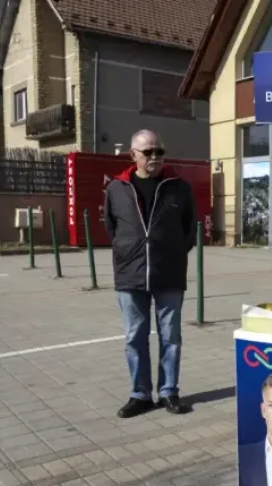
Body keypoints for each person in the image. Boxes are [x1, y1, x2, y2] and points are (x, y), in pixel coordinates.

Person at [103, 129, 196, 418]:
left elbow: (189, 230)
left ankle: (169, 392)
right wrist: (128, 251)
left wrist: (172, 252)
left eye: (159, 151)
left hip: (168, 273)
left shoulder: (179, 187)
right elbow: (111, 228)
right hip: (130, 274)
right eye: (148, 152)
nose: (155, 156)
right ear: (133, 155)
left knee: (171, 337)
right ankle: (140, 395)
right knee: (135, 337)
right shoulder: (116, 189)